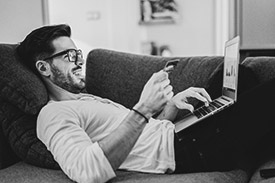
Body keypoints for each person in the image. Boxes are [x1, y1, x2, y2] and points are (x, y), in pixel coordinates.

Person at [16, 24, 275, 183]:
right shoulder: (52, 115)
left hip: (181, 133)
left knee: (243, 74)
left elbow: (140, 142)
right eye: (70, 56)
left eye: (79, 54)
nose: (79, 61)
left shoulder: (85, 99)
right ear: (44, 68)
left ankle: (255, 142)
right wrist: (143, 109)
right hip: (190, 149)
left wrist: (169, 109)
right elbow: (87, 171)